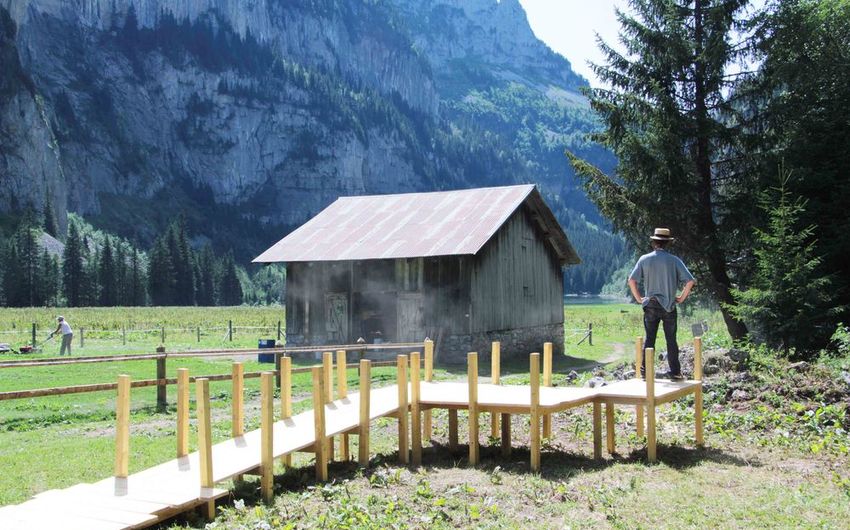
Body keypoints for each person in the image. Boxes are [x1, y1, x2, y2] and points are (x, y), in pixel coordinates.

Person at [628, 228, 695, 380]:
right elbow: (690, 281)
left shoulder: (644, 259)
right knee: (671, 339)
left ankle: (645, 372)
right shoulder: (674, 260)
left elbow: (631, 280)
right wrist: (681, 298)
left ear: (653, 242)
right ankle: (675, 372)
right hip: (669, 306)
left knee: (649, 338)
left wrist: (639, 299)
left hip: (650, 304)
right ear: (668, 243)